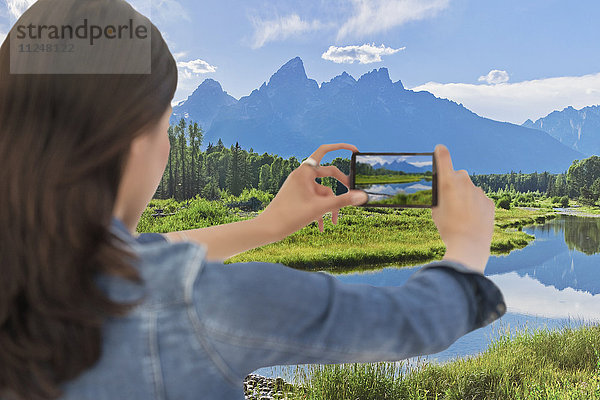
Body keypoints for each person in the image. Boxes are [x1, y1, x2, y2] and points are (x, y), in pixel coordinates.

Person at [0, 0, 505, 399]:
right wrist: (466, 253)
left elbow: (127, 261)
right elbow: (407, 322)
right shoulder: (200, 305)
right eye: (165, 123)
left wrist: (266, 225)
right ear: (132, 136)